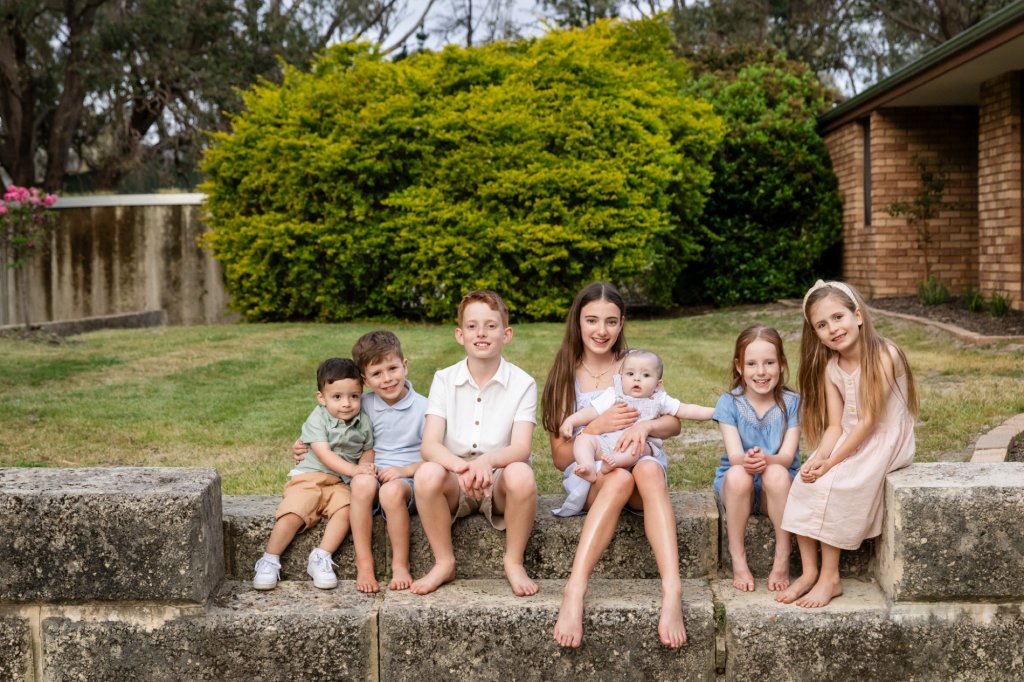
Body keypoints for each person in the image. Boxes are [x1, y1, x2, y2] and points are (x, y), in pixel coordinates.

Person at [541, 282, 687, 649]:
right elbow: (561, 456)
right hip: (596, 476)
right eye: (591, 320)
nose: (600, 330)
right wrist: (594, 427)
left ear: (622, 323)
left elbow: (674, 422)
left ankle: (672, 592)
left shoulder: (635, 366)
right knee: (619, 479)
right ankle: (575, 590)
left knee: (649, 468)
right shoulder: (564, 375)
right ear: (577, 322)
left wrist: (645, 425)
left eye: (610, 321)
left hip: (640, 471)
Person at [777, 280, 917, 608]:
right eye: (822, 325)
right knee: (804, 481)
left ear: (857, 316)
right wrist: (819, 458)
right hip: (849, 440)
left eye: (838, 317)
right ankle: (810, 572)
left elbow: (868, 421)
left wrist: (832, 464)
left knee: (837, 483)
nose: (833, 329)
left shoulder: (885, 355)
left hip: (883, 440)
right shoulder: (832, 368)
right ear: (815, 333)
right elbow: (836, 426)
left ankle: (831, 577)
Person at [409, 290, 539, 597]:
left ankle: (514, 561)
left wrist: (487, 462)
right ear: (460, 334)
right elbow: (430, 445)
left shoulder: (523, 383)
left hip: (499, 478)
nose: (481, 333)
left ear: (506, 334)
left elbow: (521, 448)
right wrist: (461, 466)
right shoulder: (444, 378)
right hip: (457, 477)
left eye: (491, 326)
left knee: (522, 474)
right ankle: (444, 562)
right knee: (427, 474)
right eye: (472, 326)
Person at [291, 331, 427, 593]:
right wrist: (300, 443)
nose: (387, 379)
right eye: (377, 374)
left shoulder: (425, 408)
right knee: (363, 484)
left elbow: (434, 455)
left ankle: (400, 564)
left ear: (405, 366)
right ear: (364, 380)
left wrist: (402, 471)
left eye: (393, 369)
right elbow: (326, 424)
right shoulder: (360, 403)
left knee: (391, 490)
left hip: (406, 480)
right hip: (367, 475)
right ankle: (365, 564)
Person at [254, 357, 375, 591]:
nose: (347, 404)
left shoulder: (364, 422)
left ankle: (321, 557)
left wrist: (365, 469)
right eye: (337, 397)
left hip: (340, 483)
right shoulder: (318, 418)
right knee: (293, 512)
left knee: (347, 510)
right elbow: (323, 454)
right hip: (309, 478)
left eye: (354, 396)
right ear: (322, 397)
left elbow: (368, 450)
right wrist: (355, 469)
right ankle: (269, 558)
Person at [554, 348, 713, 516]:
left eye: (645, 376)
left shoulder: (659, 399)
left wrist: (716, 412)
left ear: (658, 384)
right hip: (607, 443)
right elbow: (591, 412)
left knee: (635, 448)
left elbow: (687, 410)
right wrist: (571, 420)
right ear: (620, 377)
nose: (637, 378)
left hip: (634, 447)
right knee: (583, 439)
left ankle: (613, 462)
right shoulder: (614, 394)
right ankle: (587, 466)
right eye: (630, 374)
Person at [712, 325, 801, 593]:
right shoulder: (729, 403)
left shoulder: (792, 402)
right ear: (739, 367)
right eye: (752, 364)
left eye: (769, 363)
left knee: (775, 473)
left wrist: (766, 459)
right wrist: (748, 461)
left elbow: (786, 457)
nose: (761, 372)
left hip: (778, 485)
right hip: (738, 485)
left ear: (782, 364)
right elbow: (735, 454)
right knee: (739, 475)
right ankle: (737, 557)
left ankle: (782, 555)